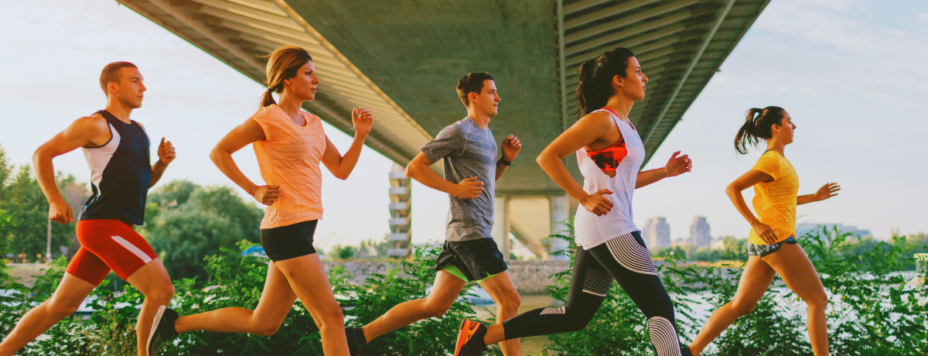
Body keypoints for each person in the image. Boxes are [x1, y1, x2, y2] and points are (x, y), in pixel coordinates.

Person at [453, 48, 694, 356]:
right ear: (618, 81)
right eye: (638, 71)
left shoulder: (626, 127)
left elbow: (620, 180)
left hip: (601, 227)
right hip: (612, 227)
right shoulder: (602, 120)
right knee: (660, 308)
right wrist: (584, 198)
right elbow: (547, 156)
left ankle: (480, 337)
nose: (644, 77)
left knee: (575, 316)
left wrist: (665, 172)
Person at [152, 45, 373, 356]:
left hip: (301, 227)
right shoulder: (268, 118)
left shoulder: (314, 123)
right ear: (286, 79)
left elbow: (341, 170)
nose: (316, 79)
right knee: (332, 318)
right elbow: (220, 151)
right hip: (285, 228)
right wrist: (252, 188)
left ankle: (174, 324)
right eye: (308, 73)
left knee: (264, 322)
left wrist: (360, 136)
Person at [0, 62, 177, 356]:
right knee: (161, 291)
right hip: (103, 226)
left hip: (114, 229)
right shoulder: (95, 124)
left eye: (143, 81)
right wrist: (55, 199)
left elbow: (141, 183)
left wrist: (160, 165)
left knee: (63, 306)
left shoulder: (140, 131)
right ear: (113, 86)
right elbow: (42, 153)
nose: (143, 87)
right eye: (135, 81)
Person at [343, 72, 524, 356]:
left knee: (434, 305)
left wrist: (505, 161)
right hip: (471, 233)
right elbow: (414, 167)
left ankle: (358, 336)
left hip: (461, 236)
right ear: (474, 97)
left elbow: (482, 186)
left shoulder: (487, 136)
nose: (498, 97)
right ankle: (476, 341)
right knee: (510, 300)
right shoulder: (459, 132)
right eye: (491, 92)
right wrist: (455, 189)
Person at [688, 107, 839, 356]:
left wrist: (814, 197)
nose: (795, 126)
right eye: (790, 122)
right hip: (777, 238)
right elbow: (732, 189)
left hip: (764, 243)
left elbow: (781, 201)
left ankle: (690, 352)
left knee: (742, 305)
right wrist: (755, 222)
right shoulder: (771, 160)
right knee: (818, 300)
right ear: (776, 128)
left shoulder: (780, 161)